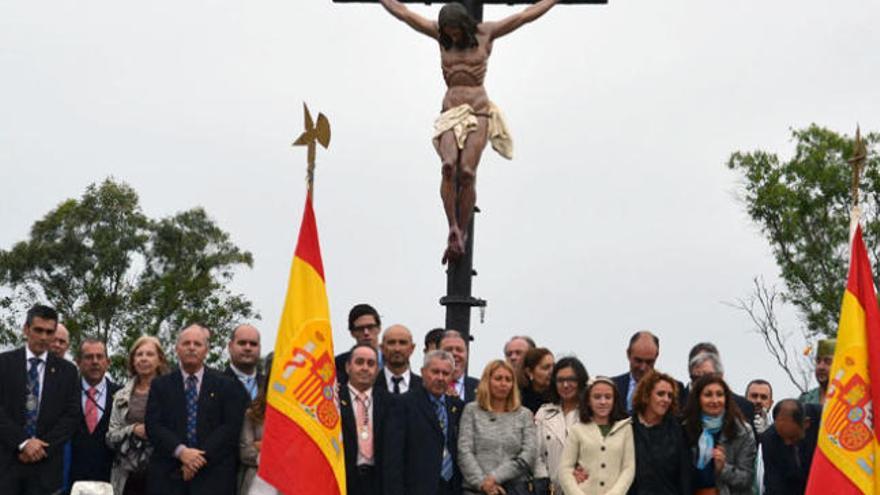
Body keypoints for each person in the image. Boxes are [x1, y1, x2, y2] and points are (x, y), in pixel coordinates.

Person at [376, 0, 561, 262]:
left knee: (467, 172)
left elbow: (525, 15)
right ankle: (451, 226)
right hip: (451, 111)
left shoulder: (486, 33)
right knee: (449, 166)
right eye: (447, 31)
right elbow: (405, 14)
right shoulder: (439, 36)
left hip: (478, 111)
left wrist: (553, 1)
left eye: (455, 30)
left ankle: (461, 233)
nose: (451, 35)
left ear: (464, 25)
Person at [144, 324, 249, 495]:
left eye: (197, 344)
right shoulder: (160, 385)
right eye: (186, 343)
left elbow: (230, 427)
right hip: (169, 477)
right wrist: (182, 452)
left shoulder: (227, 385)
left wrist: (197, 458)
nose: (191, 348)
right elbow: (153, 426)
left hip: (214, 478)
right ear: (177, 349)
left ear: (206, 350)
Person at [0, 304, 81, 495]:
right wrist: (23, 443)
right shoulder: (3, 364)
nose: (44, 337)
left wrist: (41, 447)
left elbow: (71, 416)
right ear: (26, 329)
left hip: (46, 468)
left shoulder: (68, 372)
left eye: (49, 332)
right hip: (7, 464)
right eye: (38, 330)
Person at [384, 350, 465, 495]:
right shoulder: (403, 404)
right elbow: (393, 458)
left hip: (452, 488)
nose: (440, 378)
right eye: (435, 372)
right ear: (422, 372)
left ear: (452, 377)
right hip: (417, 488)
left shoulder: (457, 407)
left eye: (446, 373)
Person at [458, 360, 537, 495]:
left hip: (515, 489)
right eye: (498, 378)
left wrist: (495, 477)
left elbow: (528, 454)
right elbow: (464, 451)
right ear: (487, 381)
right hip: (476, 489)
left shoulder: (524, 414)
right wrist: (483, 483)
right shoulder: (471, 411)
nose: (503, 384)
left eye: (508, 379)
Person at [106, 336, 169, 495]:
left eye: (149, 354)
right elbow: (110, 437)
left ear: (159, 360)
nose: (144, 359)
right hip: (126, 475)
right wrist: (133, 429)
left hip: (162, 473)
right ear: (133, 361)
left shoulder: (172, 393)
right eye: (139, 354)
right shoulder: (121, 396)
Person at [558, 376, 634, 495]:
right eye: (597, 397)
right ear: (588, 401)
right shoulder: (577, 430)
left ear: (614, 401)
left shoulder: (625, 429)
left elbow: (628, 468)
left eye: (608, 397)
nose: (603, 402)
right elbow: (565, 469)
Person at [683, 375, 756, 495]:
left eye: (719, 394)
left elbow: (747, 479)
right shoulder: (685, 428)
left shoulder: (742, 431)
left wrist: (722, 469)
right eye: (708, 395)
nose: (715, 400)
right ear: (698, 398)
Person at [627, 371, 691, 495]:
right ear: (646, 395)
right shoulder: (628, 425)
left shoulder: (678, 430)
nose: (666, 399)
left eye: (670, 396)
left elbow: (685, 476)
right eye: (660, 394)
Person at [68, 339, 120, 491]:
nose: (95, 362)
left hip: (110, 482)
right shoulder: (66, 393)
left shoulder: (121, 395)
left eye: (99, 357)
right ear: (78, 362)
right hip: (71, 482)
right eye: (89, 357)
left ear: (108, 362)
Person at [534, 357, 590, 494]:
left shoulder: (591, 414)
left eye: (571, 379)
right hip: (550, 489)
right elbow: (535, 454)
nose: (565, 385)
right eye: (560, 380)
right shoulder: (543, 413)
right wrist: (544, 482)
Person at [339, 345, 389, 495]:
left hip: (378, 483)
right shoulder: (333, 399)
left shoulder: (390, 403)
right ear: (348, 367)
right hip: (344, 481)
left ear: (378, 370)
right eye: (359, 362)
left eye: (371, 363)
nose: (365, 368)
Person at [612, 332, 684, 415]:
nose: (643, 367)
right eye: (638, 361)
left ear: (656, 356)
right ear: (628, 354)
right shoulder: (612, 386)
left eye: (649, 362)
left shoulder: (674, 389)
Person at [238, 356, 278, 495]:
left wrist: (262, 445)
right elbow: (245, 451)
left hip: (289, 483)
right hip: (257, 483)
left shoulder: (300, 414)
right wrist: (276, 452)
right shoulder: (253, 412)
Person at [759, 399, 816, 495]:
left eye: (792, 437)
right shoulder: (769, 439)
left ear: (806, 424)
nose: (787, 443)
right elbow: (773, 485)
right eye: (782, 437)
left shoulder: (824, 423)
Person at [682, 352, 755, 425]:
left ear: (720, 375)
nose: (701, 382)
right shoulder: (680, 407)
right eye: (696, 378)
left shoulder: (743, 408)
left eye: (707, 376)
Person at [336, 304, 382, 384]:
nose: (366, 333)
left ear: (379, 328)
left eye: (370, 327)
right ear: (352, 333)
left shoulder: (391, 360)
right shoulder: (338, 364)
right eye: (360, 329)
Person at [377, 324, 422, 394]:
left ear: (412, 348)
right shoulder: (370, 385)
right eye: (391, 343)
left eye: (402, 343)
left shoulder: (424, 387)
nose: (397, 349)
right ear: (382, 348)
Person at [224, 324, 263, 401]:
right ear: (230, 347)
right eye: (242, 343)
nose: (248, 348)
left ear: (259, 348)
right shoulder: (215, 385)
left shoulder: (269, 386)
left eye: (253, 344)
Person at [441, 330, 479, 403]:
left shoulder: (481, 387)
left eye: (459, 350)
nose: (454, 353)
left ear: (467, 355)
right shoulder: (426, 387)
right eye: (448, 350)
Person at [798, 339, 835, 406]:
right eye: (818, 361)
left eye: (828, 362)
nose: (821, 367)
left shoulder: (852, 398)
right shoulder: (805, 399)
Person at [518, 347, 554, 414]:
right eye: (546, 368)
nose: (552, 372)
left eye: (554, 367)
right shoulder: (519, 399)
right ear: (529, 372)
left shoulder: (559, 396)